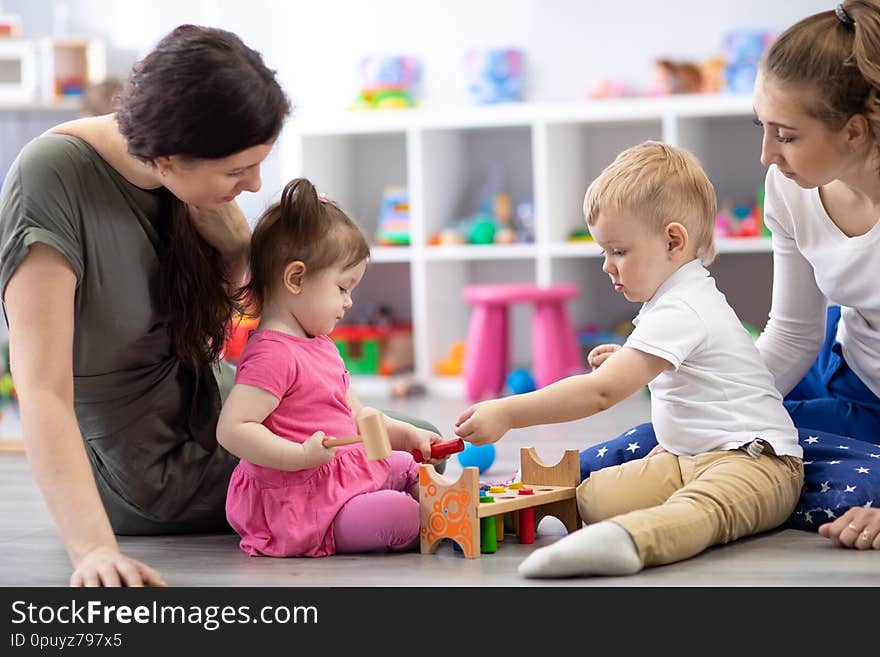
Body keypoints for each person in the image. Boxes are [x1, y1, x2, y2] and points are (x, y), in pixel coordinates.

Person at [0, 24, 438, 587]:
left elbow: (207, 323)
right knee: (371, 467)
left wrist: (235, 249)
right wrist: (91, 550)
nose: (255, 185)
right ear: (166, 155)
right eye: (237, 171)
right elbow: (41, 391)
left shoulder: (188, 189)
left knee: (411, 436)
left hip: (213, 401)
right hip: (145, 464)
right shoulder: (50, 182)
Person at [577, 1, 880, 552]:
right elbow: (792, 335)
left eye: (785, 135)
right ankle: (524, 488)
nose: (767, 154)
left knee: (852, 481)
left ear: (856, 131)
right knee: (675, 441)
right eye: (761, 128)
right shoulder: (789, 188)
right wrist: (715, 397)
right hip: (840, 367)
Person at [455, 142, 805, 578]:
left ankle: (632, 541)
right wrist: (632, 357)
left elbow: (601, 393)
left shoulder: (683, 306)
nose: (607, 265)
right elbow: (687, 366)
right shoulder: (671, 303)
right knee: (595, 495)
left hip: (756, 463)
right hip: (684, 458)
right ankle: (504, 514)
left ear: (673, 241)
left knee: (702, 510)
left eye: (618, 251)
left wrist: (508, 411)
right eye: (605, 252)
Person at [218, 178, 443, 557]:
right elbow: (232, 430)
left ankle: (442, 510)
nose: (349, 302)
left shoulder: (320, 343)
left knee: (409, 465)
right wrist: (298, 457)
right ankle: (428, 516)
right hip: (301, 500)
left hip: (337, 474)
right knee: (401, 514)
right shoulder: (273, 354)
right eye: (342, 288)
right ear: (295, 279)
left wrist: (409, 435)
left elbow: (357, 416)